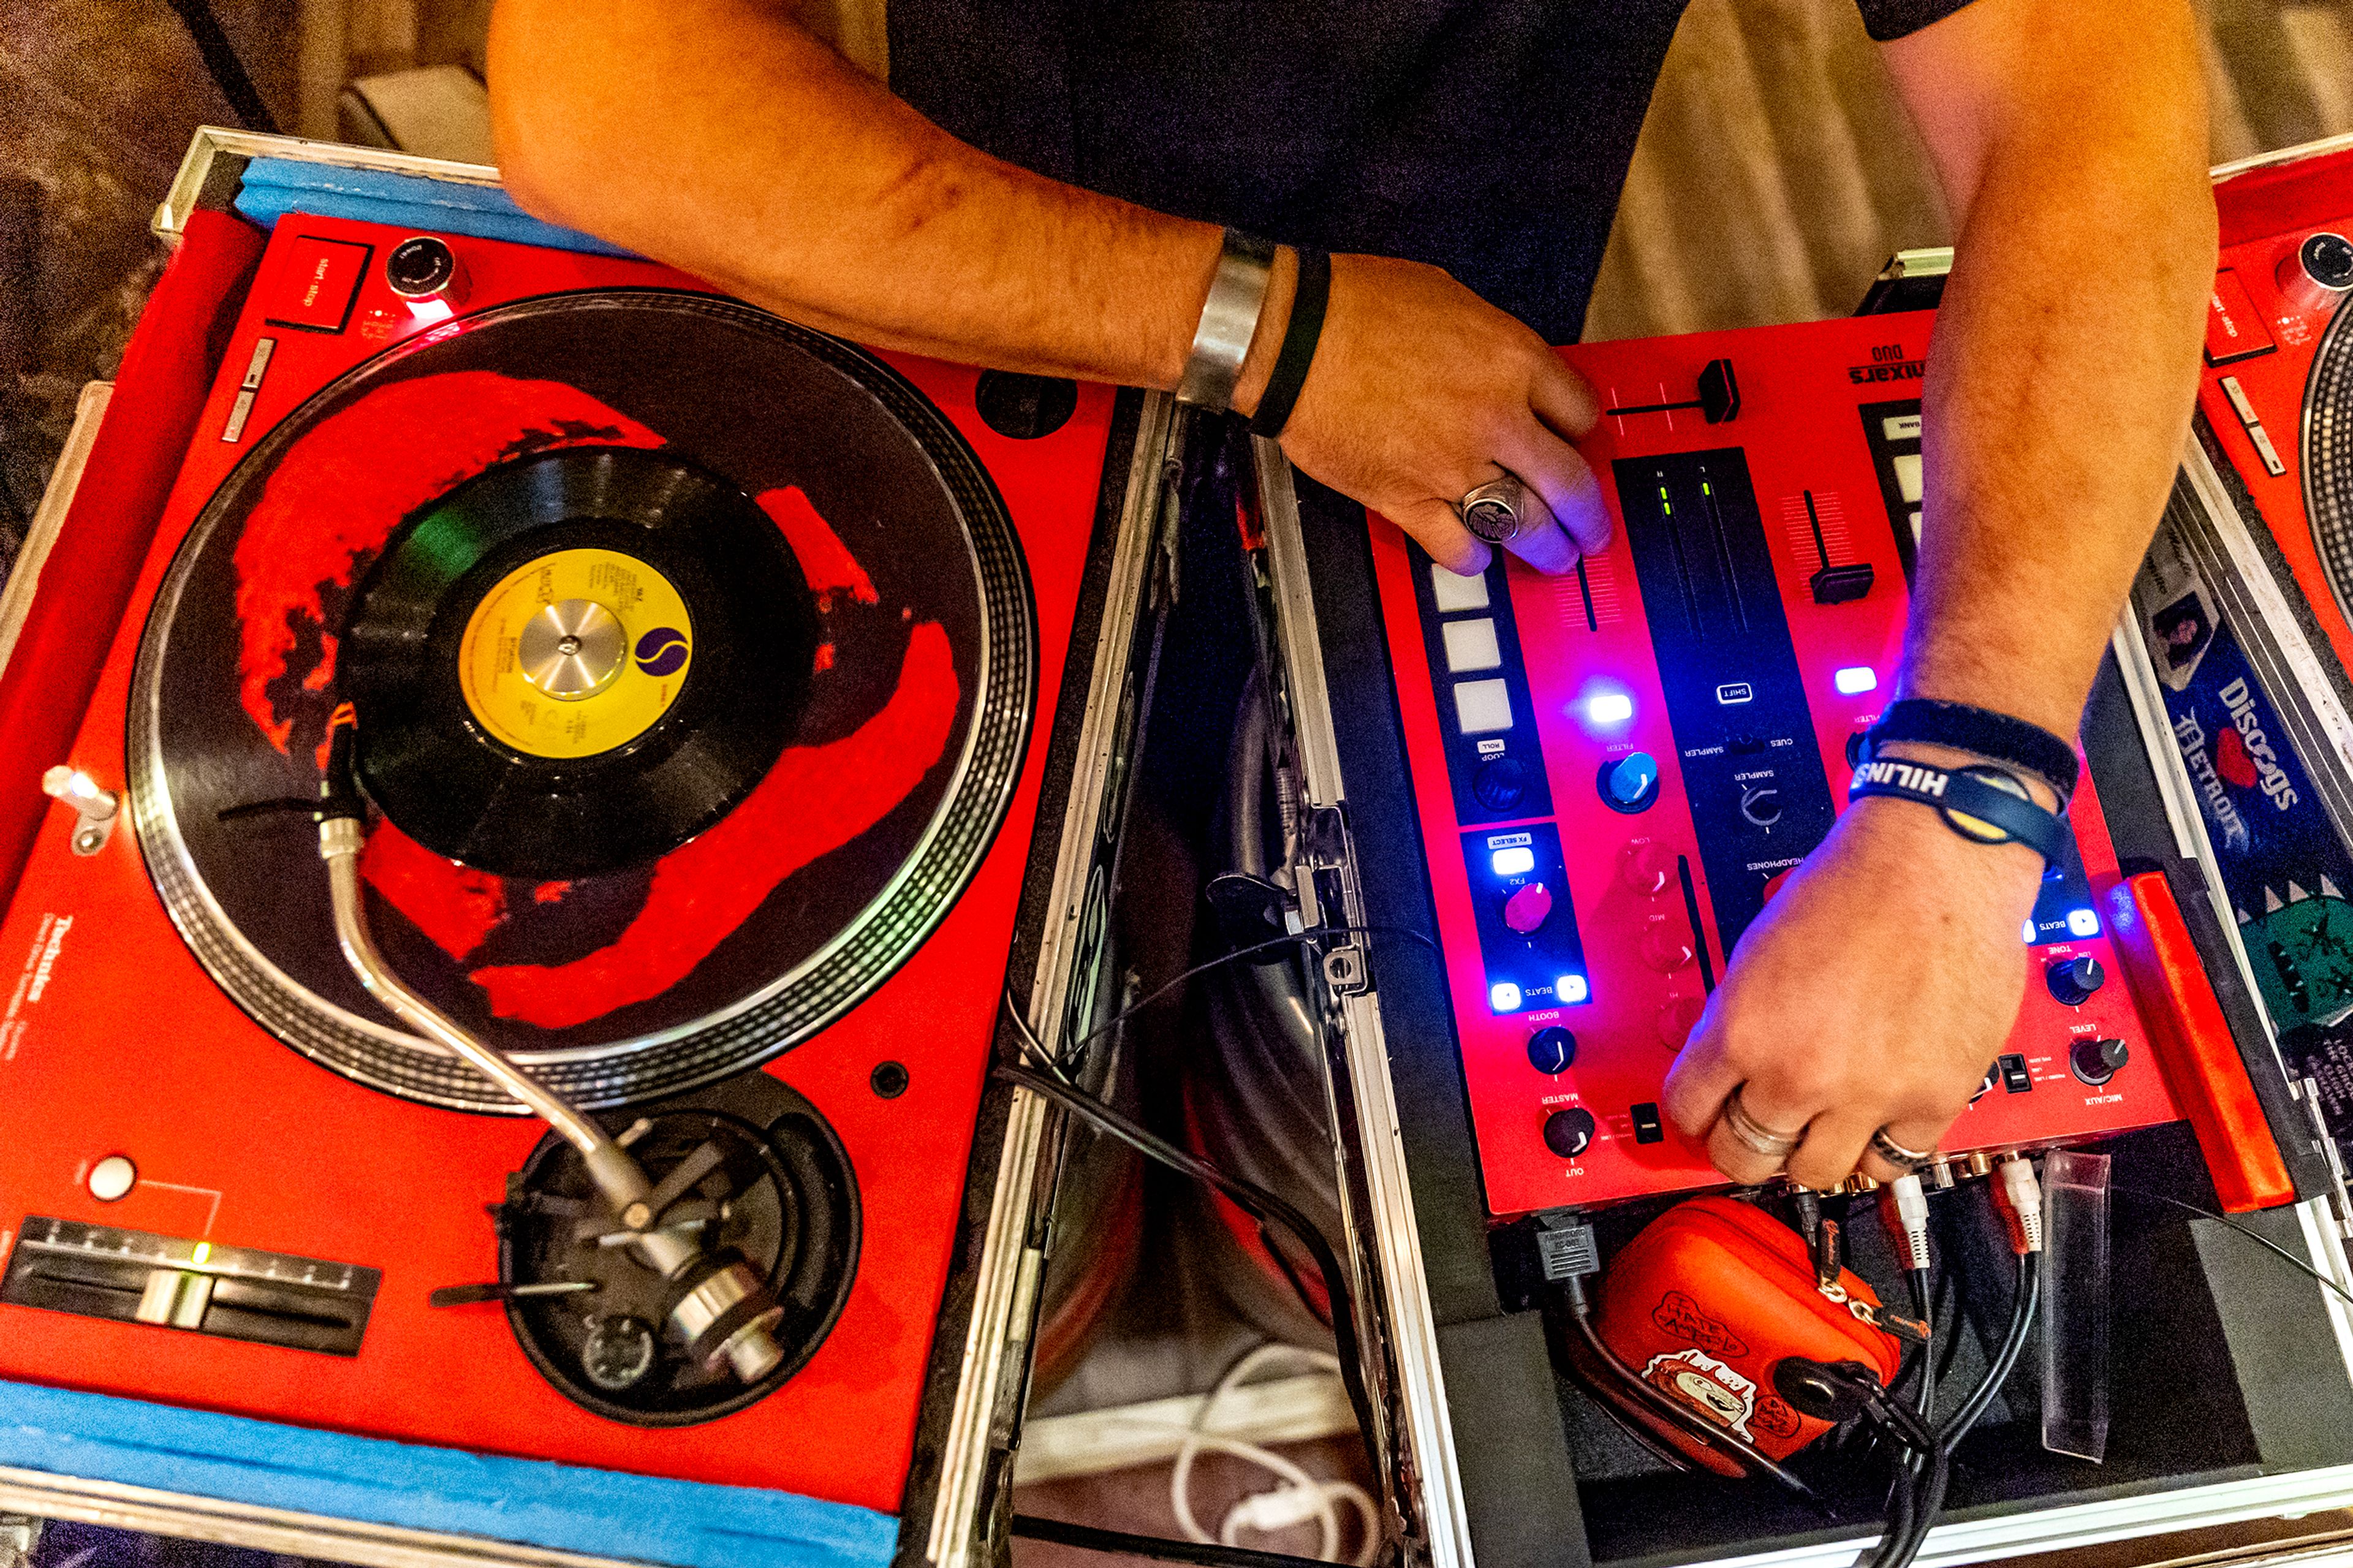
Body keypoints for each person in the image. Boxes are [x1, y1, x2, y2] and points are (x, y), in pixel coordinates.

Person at [483, 0, 2215, 1189]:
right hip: (999, 292)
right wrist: (1271, 330)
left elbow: (2083, 104)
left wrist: (1958, 804)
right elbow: (603, 88)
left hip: (1460, 351)